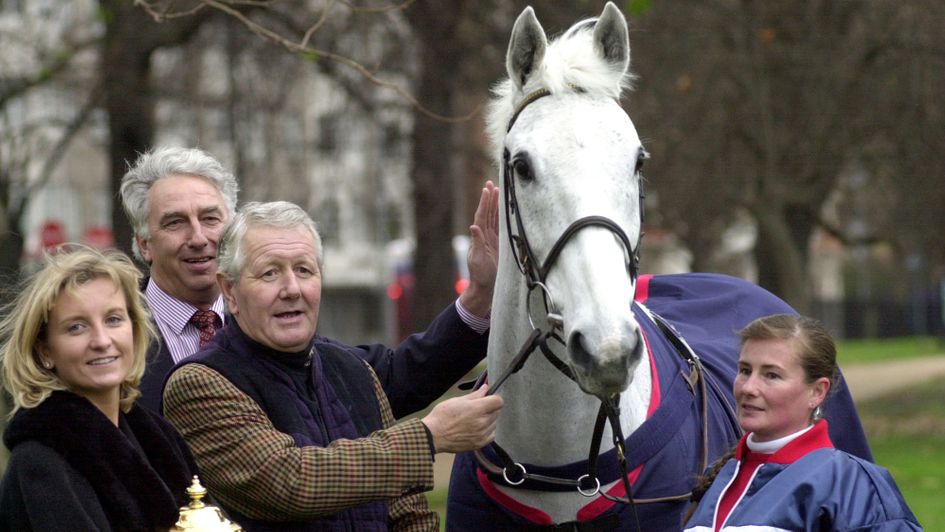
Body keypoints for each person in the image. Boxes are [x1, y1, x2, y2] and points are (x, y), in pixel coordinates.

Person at [163, 201, 504, 530]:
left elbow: (408, 511)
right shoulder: (200, 382)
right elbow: (287, 482)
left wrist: (482, 293)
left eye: (304, 270)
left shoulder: (353, 369)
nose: (292, 289)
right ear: (230, 291)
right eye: (270, 273)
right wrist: (429, 436)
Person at [121, 146, 499, 416]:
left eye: (210, 218)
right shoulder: (111, 337)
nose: (199, 237)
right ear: (144, 243)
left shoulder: (275, 317)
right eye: (174, 222)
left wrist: (480, 295)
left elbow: (397, 378)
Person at [0, 246, 197, 530]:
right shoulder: (40, 461)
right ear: (45, 350)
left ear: (134, 328)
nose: (102, 340)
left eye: (113, 319)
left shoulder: (157, 434)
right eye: (76, 327)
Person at [683, 314, 921, 531]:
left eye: (771, 375)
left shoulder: (852, 486)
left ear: (817, 392)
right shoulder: (719, 479)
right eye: (745, 370)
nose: (748, 387)